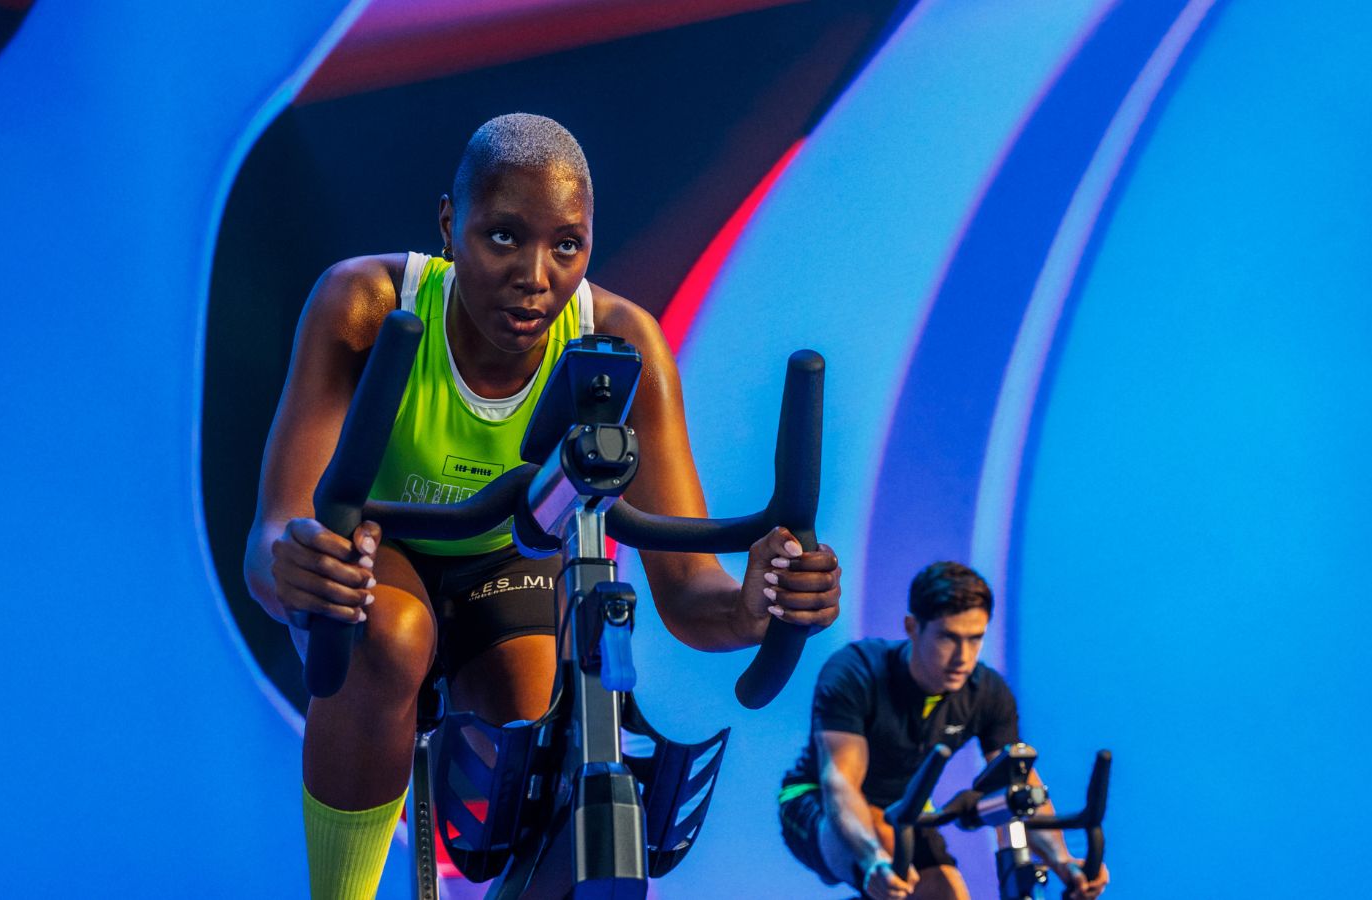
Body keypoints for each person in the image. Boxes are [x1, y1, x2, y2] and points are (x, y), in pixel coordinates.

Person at [242, 113, 842, 900]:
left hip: (511, 561)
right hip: (384, 556)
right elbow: (274, 539)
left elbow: (694, 596)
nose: (536, 276)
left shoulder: (623, 343)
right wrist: (300, 567)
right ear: (451, 225)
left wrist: (761, 602)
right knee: (387, 635)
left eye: (566, 245)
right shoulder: (363, 303)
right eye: (503, 238)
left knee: (550, 741)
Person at [778, 561, 1107, 900]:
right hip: (816, 800)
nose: (963, 657)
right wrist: (872, 858)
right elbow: (840, 784)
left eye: (975, 639)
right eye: (949, 638)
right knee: (889, 852)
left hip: (905, 811)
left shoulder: (987, 692)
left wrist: (1063, 862)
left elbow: (1019, 785)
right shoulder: (856, 670)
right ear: (912, 627)